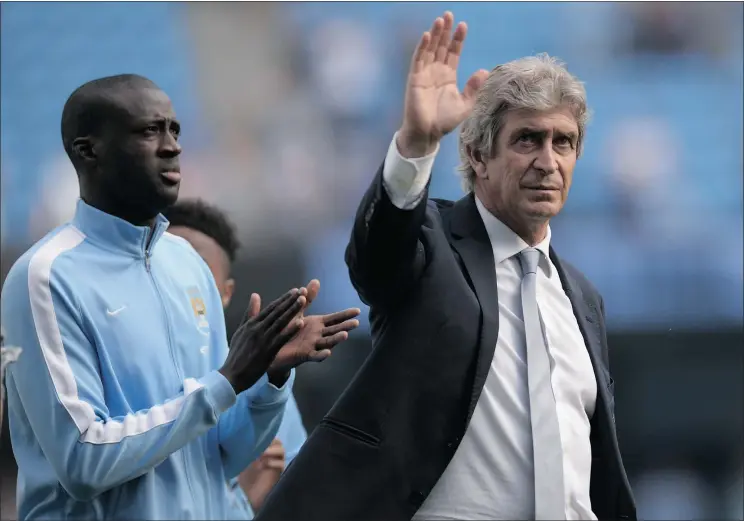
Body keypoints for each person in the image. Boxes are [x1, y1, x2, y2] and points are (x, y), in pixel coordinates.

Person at [257, 12, 637, 521]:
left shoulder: (583, 298)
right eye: (527, 139)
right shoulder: (432, 246)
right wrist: (415, 145)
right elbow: (377, 258)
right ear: (478, 156)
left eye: (562, 141)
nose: (548, 160)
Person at [0, 74, 349, 520]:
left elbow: (224, 455)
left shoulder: (186, 263)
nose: (172, 146)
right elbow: (83, 460)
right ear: (88, 150)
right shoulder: (45, 276)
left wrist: (268, 377)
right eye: (149, 131)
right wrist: (224, 382)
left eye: (175, 130)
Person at [164, 198, 360, 517]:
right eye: (166, 262)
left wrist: (255, 501)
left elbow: (301, 496)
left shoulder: (268, 390)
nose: (179, 279)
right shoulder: (125, 368)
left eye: (197, 266)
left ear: (227, 292)